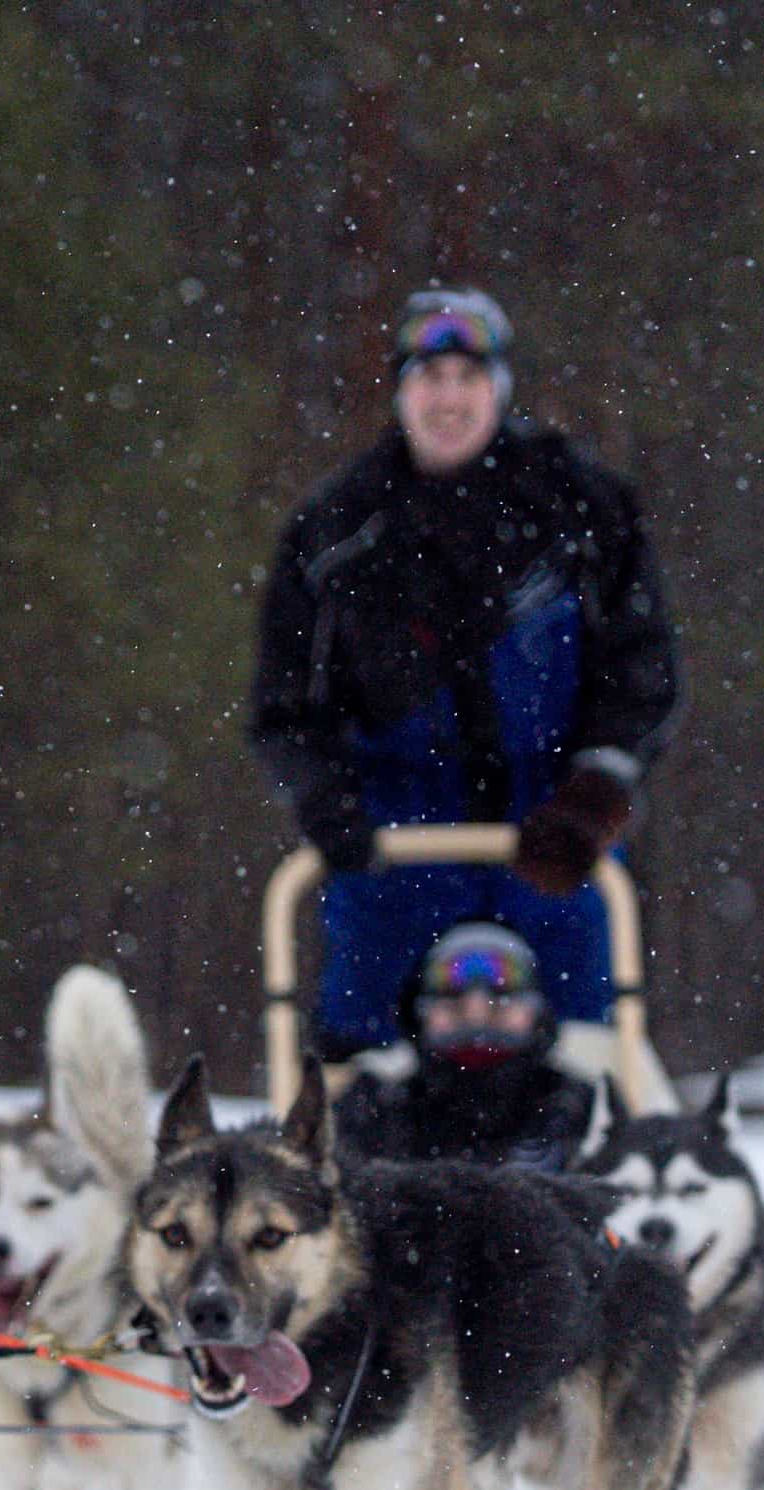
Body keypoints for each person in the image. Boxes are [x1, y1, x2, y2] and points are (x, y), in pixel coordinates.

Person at [250, 287, 683, 1060]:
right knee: (367, 1050)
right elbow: (283, 703)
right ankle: (362, 1162)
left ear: (500, 388)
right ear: (401, 390)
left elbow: (641, 669)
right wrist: (324, 797)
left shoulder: (581, 504)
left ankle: (586, 1160)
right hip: (394, 827)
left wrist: (598, 790)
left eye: (468, 378)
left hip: (551, 821)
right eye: (430, 377)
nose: (449, 399)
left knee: (584, 1043)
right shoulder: (338, 526)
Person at [329, 921, 599, 1169]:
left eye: (504, 988)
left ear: (537, 1011)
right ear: (419, 1013)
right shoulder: (378, 1109)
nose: (476, 1011)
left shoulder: (584, 1108)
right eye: (449, 990)